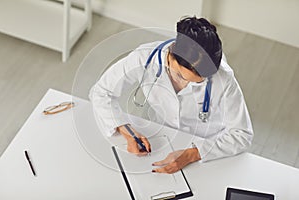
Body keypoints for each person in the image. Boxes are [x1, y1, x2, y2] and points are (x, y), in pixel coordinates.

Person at [89, 16, 253, 174]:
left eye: (198, 82)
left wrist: (192, 154)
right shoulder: (144, 58)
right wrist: (127, 131)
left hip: (211, 147)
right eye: (181, 76)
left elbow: (242, 134)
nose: (187, 83)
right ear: (172, 53)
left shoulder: (223, 78)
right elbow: (101, 92)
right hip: (164, 139)